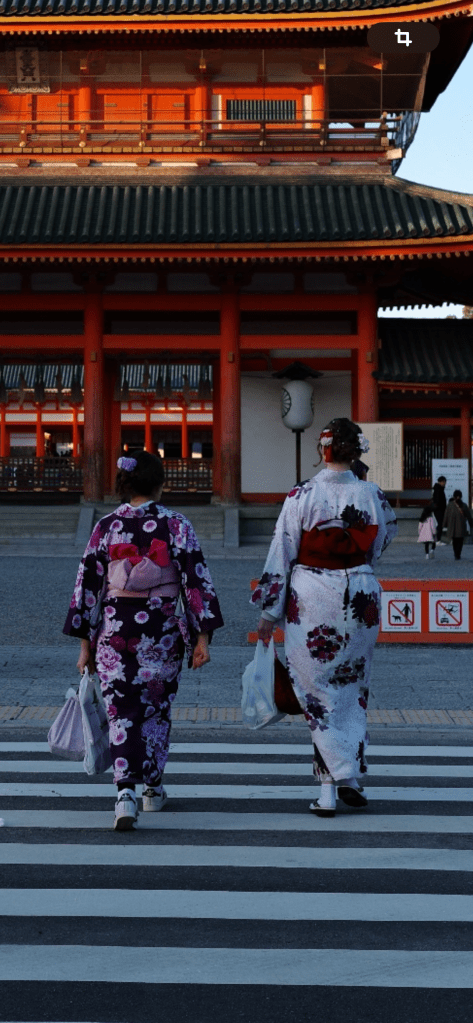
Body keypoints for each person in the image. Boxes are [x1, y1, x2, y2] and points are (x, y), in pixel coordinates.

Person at [63, 450, 224, 830]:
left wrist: (85, 646)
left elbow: (87, 588)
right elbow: (196, 582)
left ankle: (124, 794)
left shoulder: (106, 526)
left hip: (115, 630)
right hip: (161, 630)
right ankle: (152, 787)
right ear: (159, 485)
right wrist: (202, 639)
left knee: (120, 712)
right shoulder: (177, 525)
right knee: (155, 709)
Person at [251, 417, 397, 818]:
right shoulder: (372, 493)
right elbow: (384, 536)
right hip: (361, 594)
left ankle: (328, 789)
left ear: (323, 449)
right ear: (356, 451)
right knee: (352, 688)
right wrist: (358, 560)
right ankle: (349, 776)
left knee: (317, 693)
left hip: (314, 594)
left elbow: (282, 549)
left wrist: (269, 610)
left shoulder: (303, 493)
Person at [444, 489, 473, 560]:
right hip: (461, 526)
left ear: (454, 496)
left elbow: (446, 515)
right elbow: (468, 515)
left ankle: (456, 553)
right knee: (460, 541)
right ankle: (458, 554)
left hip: (452, 526)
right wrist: (471, 523)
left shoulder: (450, 505)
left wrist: (444, 524)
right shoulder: (464, 505)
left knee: (455, 541)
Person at [432, 476, 447, 544]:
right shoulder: (438, 489)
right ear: (440, 482)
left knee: (440, 524)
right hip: (439, 510)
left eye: (445, 482)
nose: (444, 483)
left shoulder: (439, 489)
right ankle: (437, 540)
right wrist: (441, 507)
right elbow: (438, 500)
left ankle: (436, 539)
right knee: (440, 524)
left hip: (439, 510)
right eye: (443, 482)